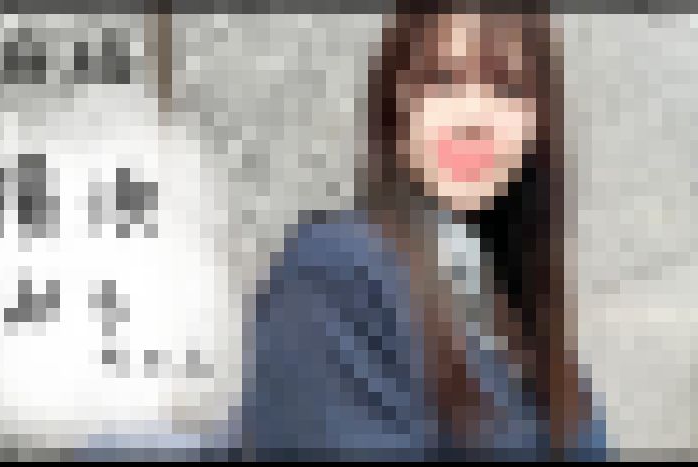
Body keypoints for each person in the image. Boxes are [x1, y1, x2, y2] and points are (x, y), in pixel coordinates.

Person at [244, 9, 607, 461]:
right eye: (441, 81)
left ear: (539, 124)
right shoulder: (338, 270)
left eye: (507, 88)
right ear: (395, 105)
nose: (473, 118)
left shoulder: (513, 304)